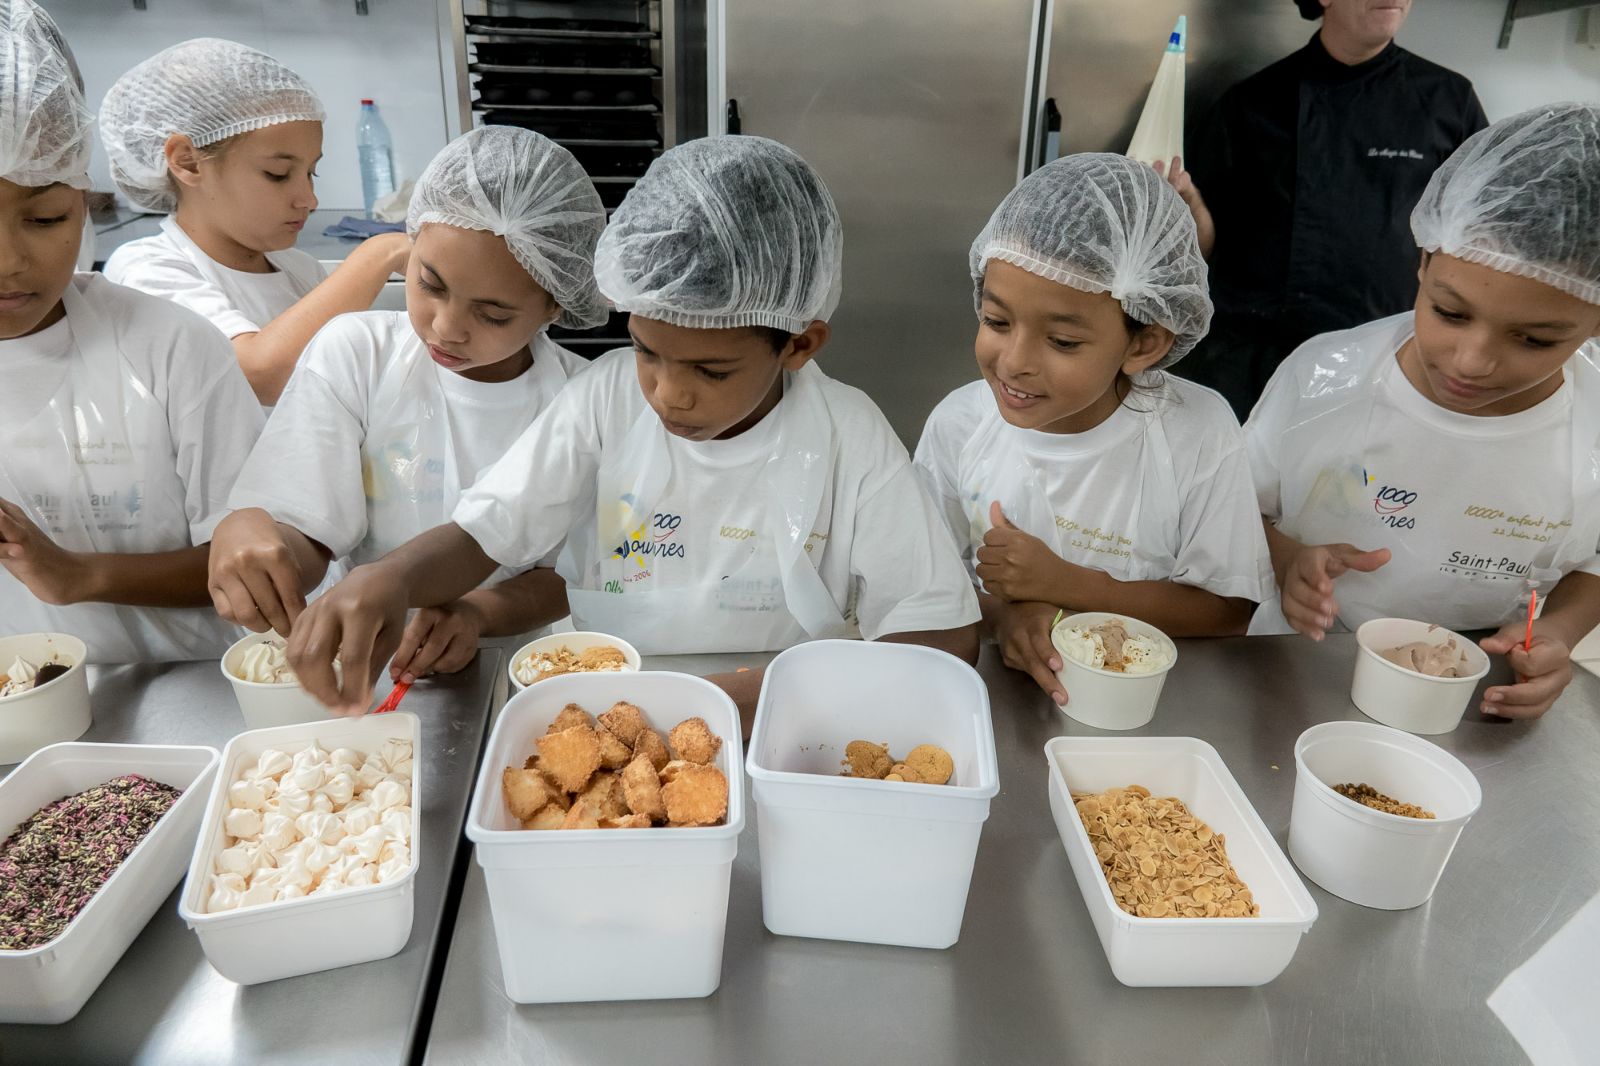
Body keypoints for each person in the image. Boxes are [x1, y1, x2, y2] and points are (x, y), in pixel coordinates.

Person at [282, 135, 980, 721]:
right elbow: (485, 532)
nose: (669, 395)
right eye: (648, 351)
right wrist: (392, 578)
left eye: (711, 372)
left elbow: (942, 634)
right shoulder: (608, 396)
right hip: (606, 698)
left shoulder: (847, 433)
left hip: (783, 717)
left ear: (800, 345)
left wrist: (725, 704)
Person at [208, 126, 607, 682]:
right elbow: (308, 529)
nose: (446, 328)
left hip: (521, 669)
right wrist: (258, 543)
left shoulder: (582, 401)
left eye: (492, 315)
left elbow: (569, 573)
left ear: (555, 307)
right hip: (367, 662)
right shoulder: (357, 353)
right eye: (430, 284)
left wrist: (475, 614)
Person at [1247, 103, 1600, 721]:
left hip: (1475, 685)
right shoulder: (1324, 379)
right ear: (1424, 261)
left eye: (1535, 340)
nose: (1471, 361)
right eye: (1449, 312)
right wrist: (1286, 561)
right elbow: (1237, 507)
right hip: (1292, 664)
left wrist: (1561, 634)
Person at [915, 154, 1272, 704]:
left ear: (1144, 343)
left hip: (1155, 711)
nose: (1014, 362)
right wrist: (1008, 616)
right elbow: (925, 585)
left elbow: (1228, 611)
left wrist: (1063, 585)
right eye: (996, 321)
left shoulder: (1196, 432)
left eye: (1062, 342)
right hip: (995, 704)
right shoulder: (960, 425)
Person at [0, 2, 264, 663]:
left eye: (45, 218)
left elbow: (253, 566)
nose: (8, 260)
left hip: (187, 702)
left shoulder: (169, 348)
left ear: (82, 201)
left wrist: (78, 574)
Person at [1163, 0, 1486, 418]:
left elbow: (1479, 229)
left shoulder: (1448, 99)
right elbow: (1203, 247)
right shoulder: (1251, 102)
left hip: (1384, 356)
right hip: (1251, 363)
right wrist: (1189, 205)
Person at [98, 38, 410, 406]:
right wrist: (380, 252)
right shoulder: (148, 270)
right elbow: (259, 375)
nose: (309, 200)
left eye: (312, 173)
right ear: (188, 162)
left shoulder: (298, 270)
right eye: (278, 174)